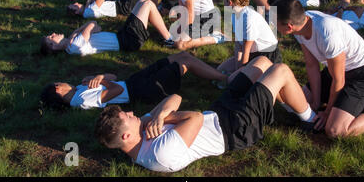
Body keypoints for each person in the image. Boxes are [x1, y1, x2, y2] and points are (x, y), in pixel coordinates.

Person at [94, 56, 321, 172]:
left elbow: (175, 98)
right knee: (280, 70)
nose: (133, 112)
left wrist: (161, 114)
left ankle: (294, 105)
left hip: (220, 112)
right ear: (125, 137)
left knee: (261, 62)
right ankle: (311, 119)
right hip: (235, 128)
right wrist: (163, 116)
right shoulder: (159, 153)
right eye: (128, 116)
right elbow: (195, 117)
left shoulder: (139, 130)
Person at [274, 0, 364, 137]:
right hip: (335, 70)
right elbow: (312, 66)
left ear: (289, 26)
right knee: (299, 103)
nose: (274, 26)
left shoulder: (327, 33)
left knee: (335, 130)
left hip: (362, 74)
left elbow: (339, 79)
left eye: (276, 23)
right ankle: (356, 104)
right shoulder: (301, 24)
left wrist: (327, 113)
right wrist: (316, 103)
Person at [41, 52, 228, 110]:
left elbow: (113, 78)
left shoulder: (80, 89)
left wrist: (100, 77)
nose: (65, 82)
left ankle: (217, 75)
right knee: (185, 63)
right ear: (58, 89)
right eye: (61, 82)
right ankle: (225, 79)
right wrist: (101, 80)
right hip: (140, 90)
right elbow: (116, 91)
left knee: (180, 56)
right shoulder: (82, 100)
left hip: (132, 81)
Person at [40, 0, 174, 56]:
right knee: (148, 4)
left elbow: (96, 27)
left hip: (122, 35)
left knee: (142, 2)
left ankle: (166, 33)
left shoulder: (73, 40)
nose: (53, 33)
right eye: (51, 37)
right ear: (54, 46)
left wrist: (77, 32)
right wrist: (78, 32)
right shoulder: (73, 45)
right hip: (128, 41)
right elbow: (92, 24)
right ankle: (169, 39)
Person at [217, 0, 281, 74]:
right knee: (220, 70)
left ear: (229, 2)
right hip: (252, 53)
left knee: (242, 81)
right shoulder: (234, 14)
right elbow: (238, 45)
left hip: (266, 54)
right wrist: (237, 68)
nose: (222, 1)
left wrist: (241, 73)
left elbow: (246, 49)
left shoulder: (248, 18)